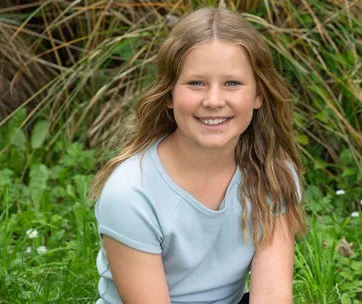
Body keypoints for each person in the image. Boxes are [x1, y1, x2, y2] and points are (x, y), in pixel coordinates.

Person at [89, 5, 307, 304]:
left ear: (259, 95)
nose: (214, 100)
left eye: (232, 83)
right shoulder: (130, 193)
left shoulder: (273, 173)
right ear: (169, 94)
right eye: (196, 83)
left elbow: (272, 295)